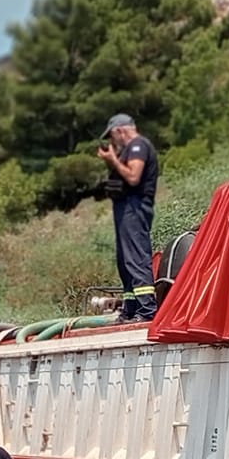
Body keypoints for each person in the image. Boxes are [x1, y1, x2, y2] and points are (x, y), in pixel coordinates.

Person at [98, 112, 160, 322]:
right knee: (125, 261)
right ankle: (131, 308)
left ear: (119, 131)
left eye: (112, 137)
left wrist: (113, 159)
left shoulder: (138, 146)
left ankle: (147, 310)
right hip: (124, 209)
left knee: (136, 257)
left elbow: (133, 177)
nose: (112, 142)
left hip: (135, 208)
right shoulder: (130, 150)